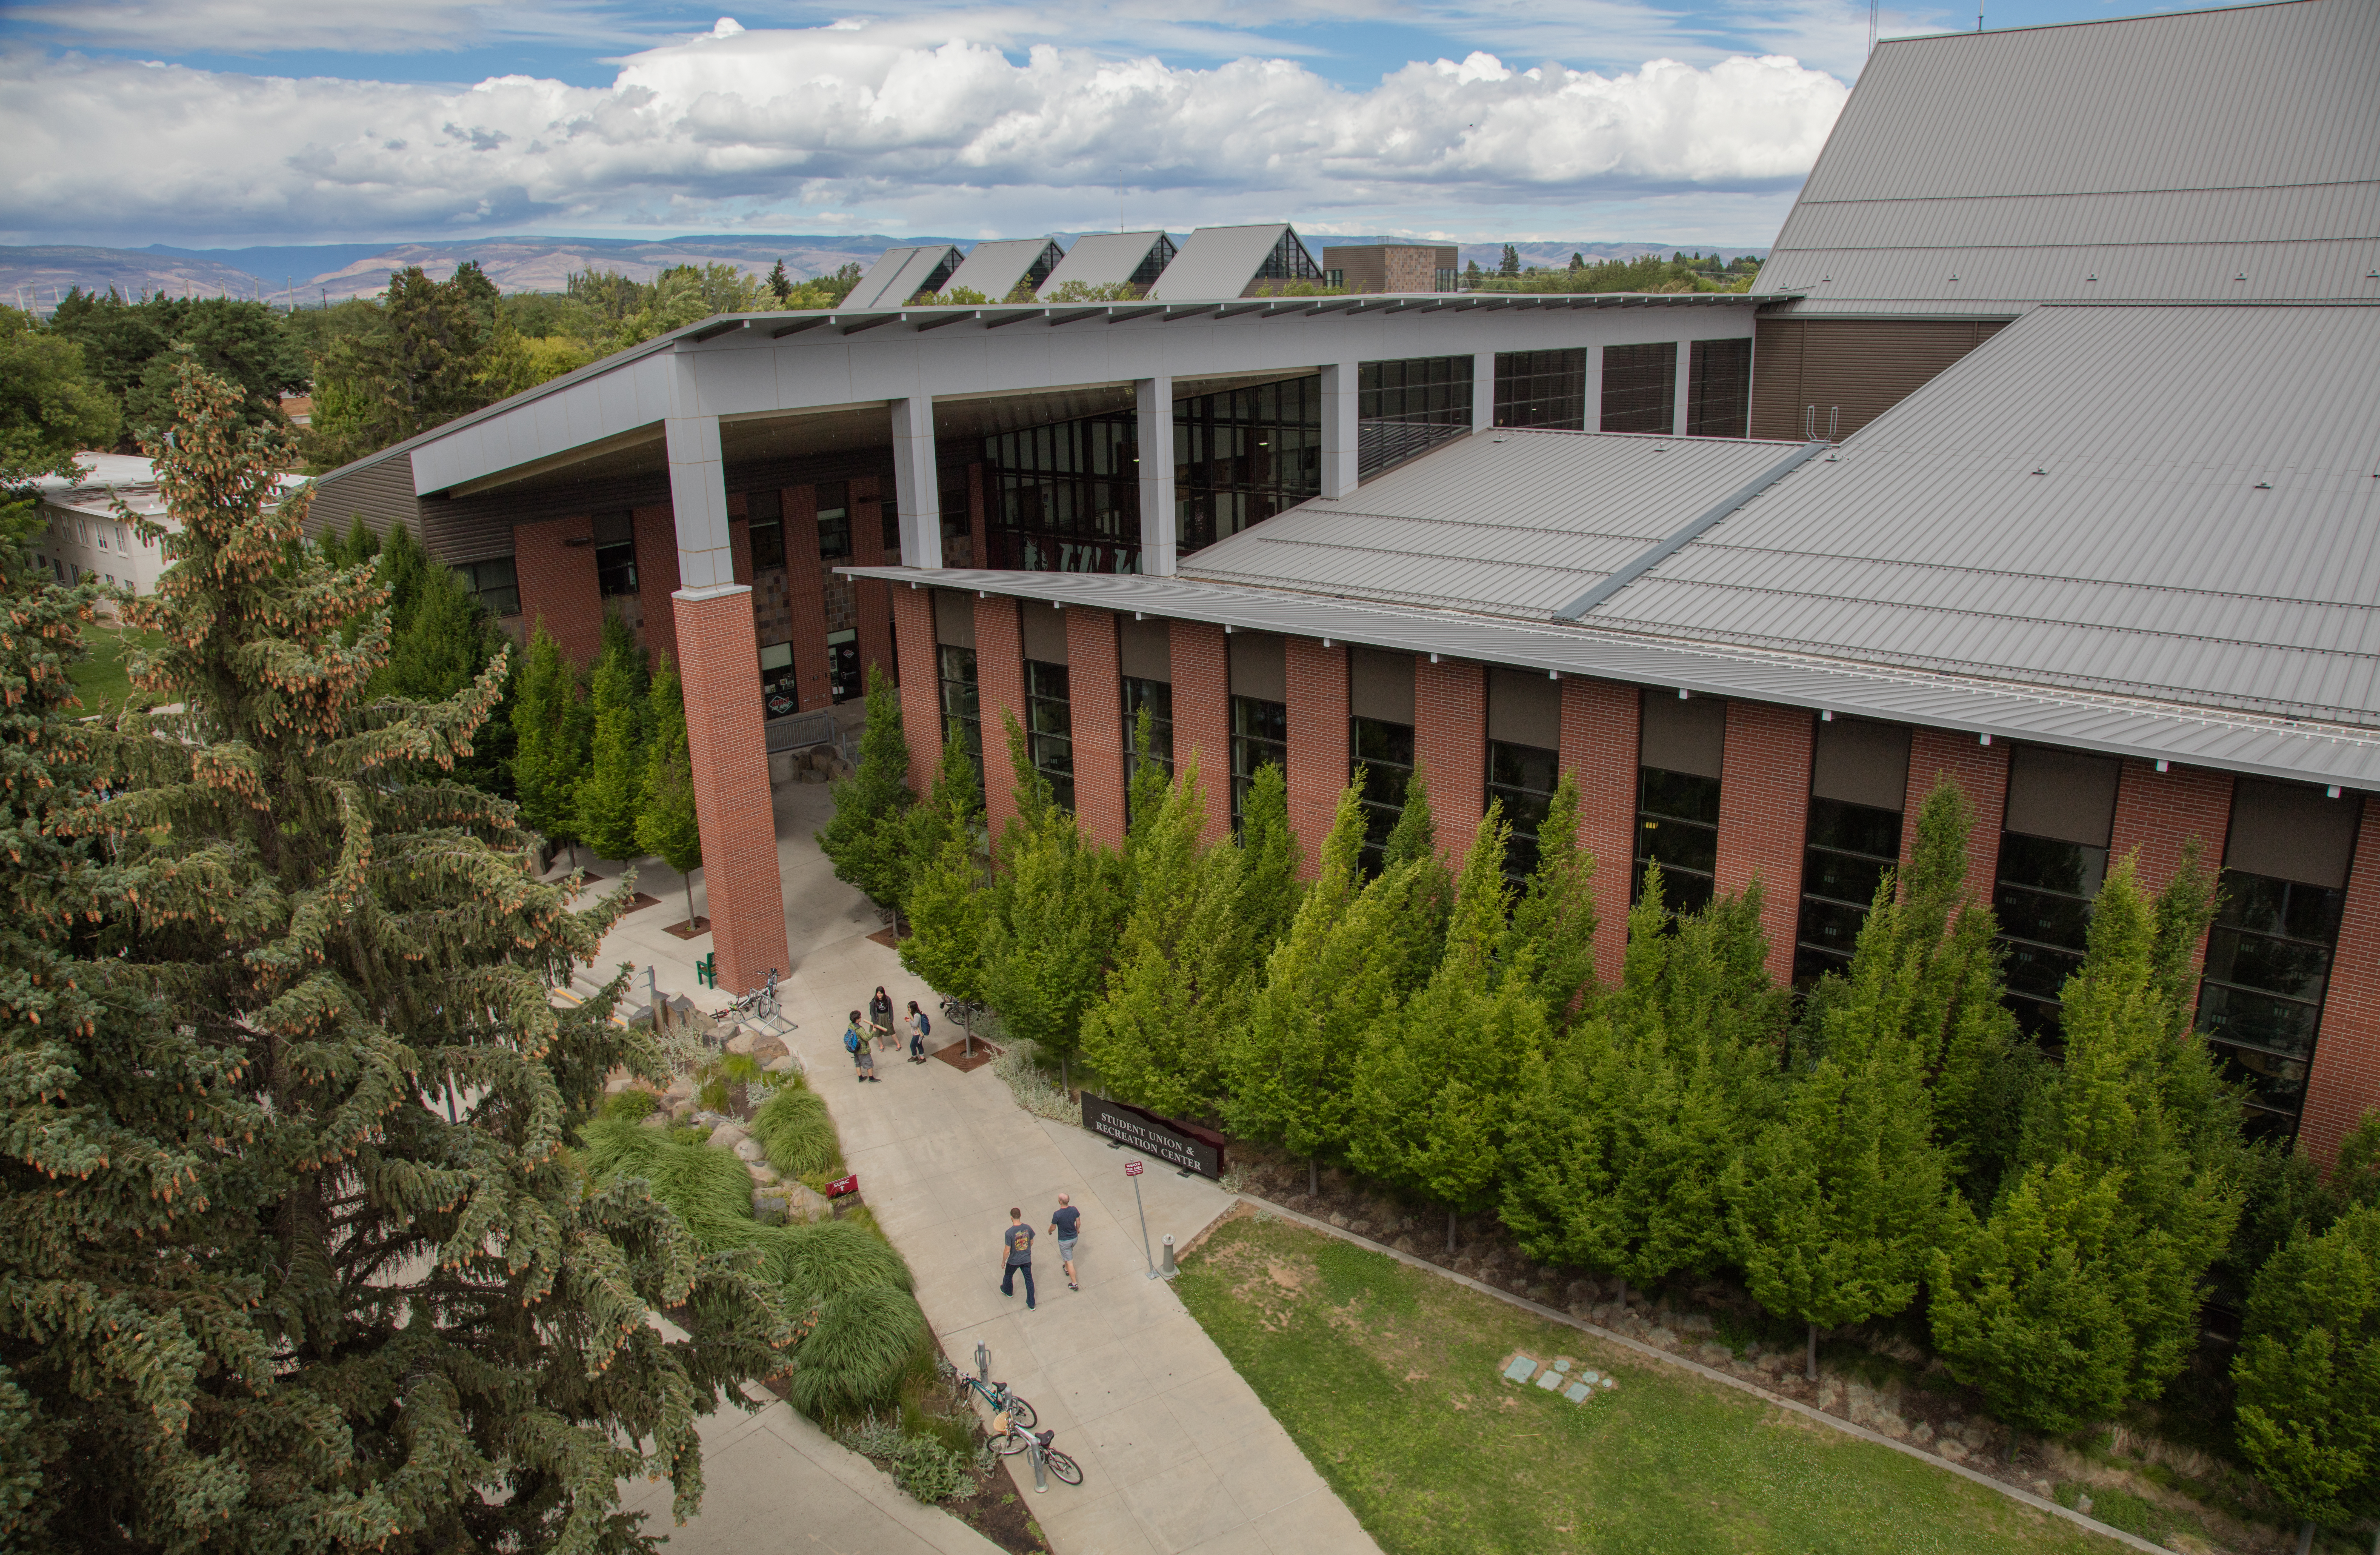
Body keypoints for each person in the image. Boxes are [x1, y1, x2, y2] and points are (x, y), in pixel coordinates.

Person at [999, 1207, 1035, 1309]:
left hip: (1014, 1261)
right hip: (1026, 1260)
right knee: (1029, 1280)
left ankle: (1008, 1291)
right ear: (1021, 1216)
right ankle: (1032, 1304)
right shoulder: (1028, 1228)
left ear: (1011, 1218)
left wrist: (1004, 1262)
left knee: (1008, 1275)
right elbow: (1032, 1242)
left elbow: (1007, 1250)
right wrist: (1025, 1250)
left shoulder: (1009, 1233)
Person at [1049, 1193, 1082, 1291]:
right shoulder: (1074, 1210)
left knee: (1070, 1261)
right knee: (1068, 1255)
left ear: (1060, 1202)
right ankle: (1066, 1268)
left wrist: (1049, 1231)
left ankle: (1074, 1284)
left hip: (1065, 1241)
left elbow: (1053, 1227)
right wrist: (1077, 1230)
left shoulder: (1057, 1214)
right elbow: (1079, 1223)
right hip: (1074, 1239)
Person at [844, 1010, 878, 1082]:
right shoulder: (860, 1029)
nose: (861, 1017)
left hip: (855, 1049)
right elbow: (867, 1038)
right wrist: (873, 1032)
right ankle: (872, 1079)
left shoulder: (851, 1026)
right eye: (860, 1017)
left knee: (858, 1063)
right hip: (863, 1050)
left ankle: (861, 1078)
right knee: (869, 1064)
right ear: (857, 1019)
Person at [868, 986, 896, 1050]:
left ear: (884, 993)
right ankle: (881, 1046)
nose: (880, 995)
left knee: (892, 1031)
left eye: (881, 993)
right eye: (879, 993)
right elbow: (872, 1013)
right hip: (878, 1018)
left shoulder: (888, 999)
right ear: (876, 993)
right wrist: (875, 1022)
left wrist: (891, 1020)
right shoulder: (874, 1001)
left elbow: (891, 1010)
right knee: (878, 1033)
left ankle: (898, 1044)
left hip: (886, 1017)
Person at [905, 999, 930, 1063]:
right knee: (919, 1045)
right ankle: (922, 1058)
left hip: (918, 1034)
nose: (909, 1009)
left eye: (910, 1008)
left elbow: (915, 1025)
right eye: (908, 1007)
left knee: (912, 1046)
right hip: (918, 1034)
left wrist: (910, 1021)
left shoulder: (917, 1015)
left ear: (913, 1008)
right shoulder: (916, 1014)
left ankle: (915, 1057)